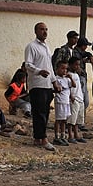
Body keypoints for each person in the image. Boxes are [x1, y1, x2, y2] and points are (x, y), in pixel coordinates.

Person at [24, 22, 58, 151]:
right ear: (36, 31)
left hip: (47, 84)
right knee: (39, 113)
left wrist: (54, 81)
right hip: (37, 84)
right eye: (42, 29)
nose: (45, 32)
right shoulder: (31, 46)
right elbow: (28, 64)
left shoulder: (47, 48)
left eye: (46, 29)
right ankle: (42, 138)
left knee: (45, 112)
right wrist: (39, 71)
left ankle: (38, 138)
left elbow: (49, 67)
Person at [71, 37, 93, 134]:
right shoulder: (76, 52)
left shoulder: (80, 53)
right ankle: (78, 123)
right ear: (83, 46)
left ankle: (80, 122)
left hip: (82, 78)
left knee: (84, 101)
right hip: (79, 78)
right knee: (81, 101)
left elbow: (85, 55)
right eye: (85, 46)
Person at [66, 56, 86, 143]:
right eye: (75, 65)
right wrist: (70, 96)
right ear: (70, 65)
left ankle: (77, 134)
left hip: (79, 98)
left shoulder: (77, 75)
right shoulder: (68, 75)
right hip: (73, 99)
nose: (77, 66)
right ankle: (70, 135)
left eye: (78, 65)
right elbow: (68, 87)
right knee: (72, 119)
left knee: (78, 119)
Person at [53, 59, 72, 146]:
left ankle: (63, 136)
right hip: (60, 102)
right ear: (57, 69)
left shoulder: (67, 79)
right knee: (58, 120)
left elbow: (71, 87)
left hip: (66, 102)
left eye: (66, 69)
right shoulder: (56, 79)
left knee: (64, 120)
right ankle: (56, 137)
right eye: (62, 68)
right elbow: (54, 89)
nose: (64, 71)